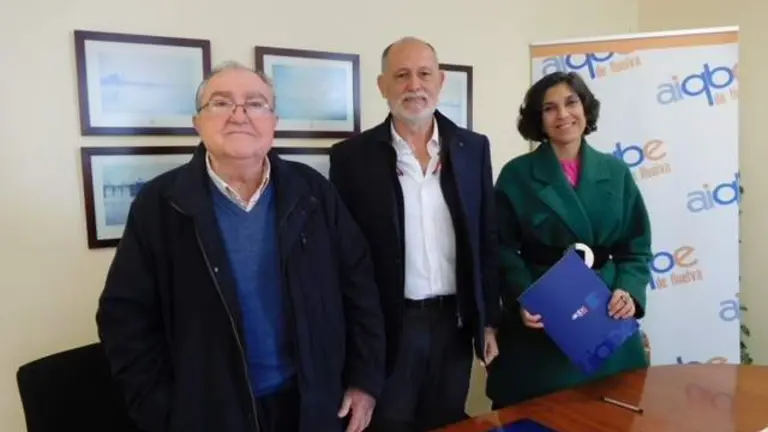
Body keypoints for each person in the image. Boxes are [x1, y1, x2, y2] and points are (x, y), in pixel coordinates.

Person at [95, 61, 385, 432]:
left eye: (255, 103)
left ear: (274, 122)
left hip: (312, 403)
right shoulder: (159, 204)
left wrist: (364, 380)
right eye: (221, 102)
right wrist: (162, 411)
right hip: (209, 414)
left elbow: (359, 287)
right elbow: (124, 318)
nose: (239, 114)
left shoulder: (313, 192)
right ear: (198, 122)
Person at [329, 37, 501, 432]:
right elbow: (343, 260)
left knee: (447, 422)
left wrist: (488, 320)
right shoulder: (351, 157)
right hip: (390, 326)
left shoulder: (472, 148)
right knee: (389, 424)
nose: (414, 85)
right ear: (382, 86)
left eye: (424, 74)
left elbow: (485, 239)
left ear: (440, 81)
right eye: (401, 75)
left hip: (454, 324)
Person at [486, 71, 652, 409]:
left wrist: (629, 292)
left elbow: (636, 246)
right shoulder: (517, 175)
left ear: (585, 108)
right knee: (543, 417)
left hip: (605, 310)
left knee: (613, 413)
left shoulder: (616, 172)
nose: (563, 114)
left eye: (571, 102)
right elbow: (500, 248)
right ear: (538, 119)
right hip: (544, 313)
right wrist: (523, 297)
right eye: (550, 108)